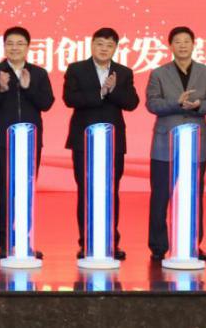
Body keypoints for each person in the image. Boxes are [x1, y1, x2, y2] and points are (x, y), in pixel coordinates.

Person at [62, 27, 139, 260]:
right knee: (86, 191)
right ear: (92, 45)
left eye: (109, 45)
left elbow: (132, 103)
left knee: (111, 191)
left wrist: (113, 91)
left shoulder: (123, 72)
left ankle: (111, 242)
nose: (104, 49)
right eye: (100, 44)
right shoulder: (76, 69)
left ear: (115, 48)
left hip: (113, 141)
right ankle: (86, 242)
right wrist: (100, 92)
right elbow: (70, 99)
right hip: (83, 140)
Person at [0, 26, 55, 258]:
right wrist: (1, 89)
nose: (15, 48)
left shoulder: (38, 73)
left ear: (28, 47)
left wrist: (28, 88)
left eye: (20, 43)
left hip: (30, 140)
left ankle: (24, 240)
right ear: (4, 46)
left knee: (26, 191)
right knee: (5, 190)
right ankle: (4, 242)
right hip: (3, 140)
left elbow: (46, 103)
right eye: (10, 43)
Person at [145, 26, 206, 262]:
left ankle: (192, 244)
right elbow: (152, 104)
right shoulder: (158, 73)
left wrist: (199, 105)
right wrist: (176, 103)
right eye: (178, 41)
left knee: (194, 195)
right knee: (160, 197)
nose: (183, 45)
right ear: (170, 46)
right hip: (164, 144)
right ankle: (159, 247)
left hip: (196, 143)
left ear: (193, 44)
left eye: (187, 41)